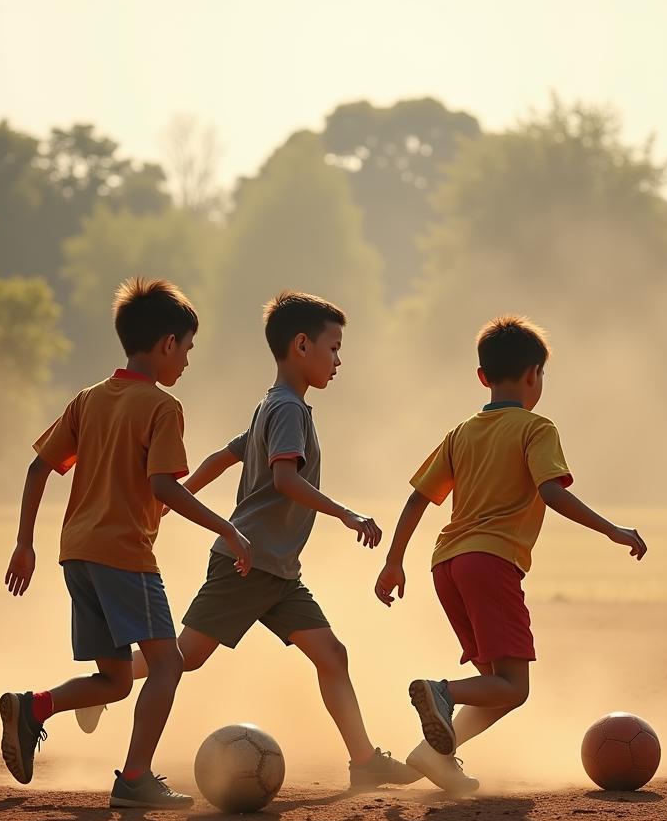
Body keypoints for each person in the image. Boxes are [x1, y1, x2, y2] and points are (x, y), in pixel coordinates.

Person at [78, 291, 418, 791]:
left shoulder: (275, 405)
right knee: (183, 658)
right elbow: (285, 479)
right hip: (248, 563)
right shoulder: (286, 410)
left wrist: (177, 497)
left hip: (277, 571)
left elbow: (224, 454)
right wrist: (346, 513)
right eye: (334, 347)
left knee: (333, 655)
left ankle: (365, 762)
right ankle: (105, 688)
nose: (339, 360)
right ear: (301, 345)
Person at [0, 278, 250, 809]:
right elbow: (163, 487)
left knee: (115, 680)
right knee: (168, 664)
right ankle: (135, 778)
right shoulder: (161, 407)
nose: (185, 361)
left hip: (77, 555)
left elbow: (38, 467)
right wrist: (226, 528)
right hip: (124, 556)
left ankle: (34, 707)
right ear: (166, 344)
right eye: (186, 349)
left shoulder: (88, 399)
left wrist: (26, 544)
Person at [375, 314, 647, 794]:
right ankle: (441, 692)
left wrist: (393, 560)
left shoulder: (461, 433)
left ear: (483, 377)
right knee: (514, 688)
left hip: (446, 565)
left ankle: (433, 758)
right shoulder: (536, 428)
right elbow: (552, 492)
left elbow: (419, 498)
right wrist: (611, 529)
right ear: (534, 376)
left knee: (497, 687)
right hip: (490, 563)